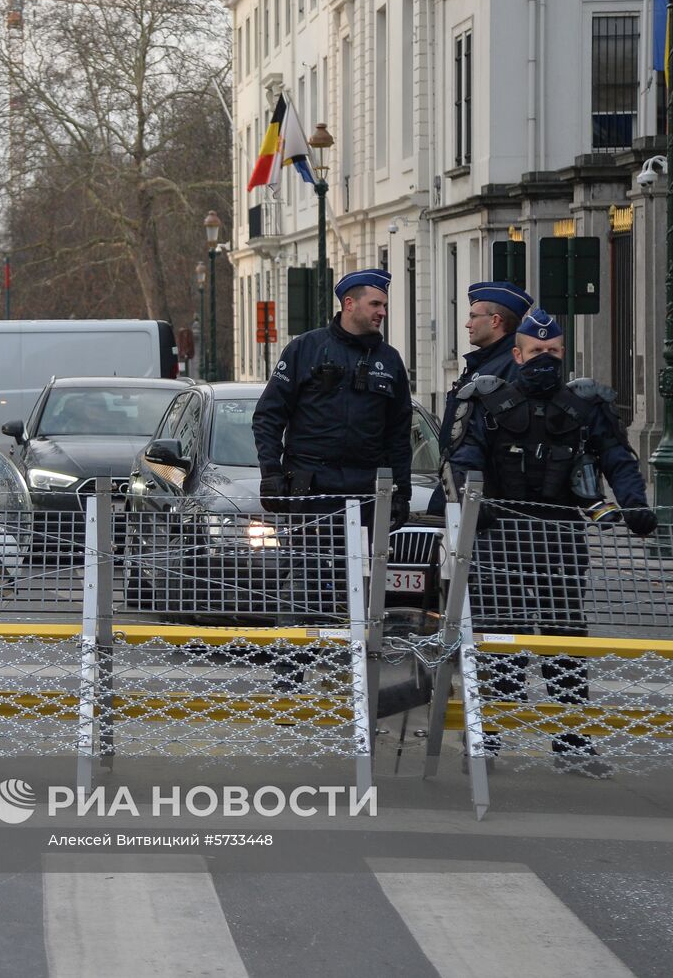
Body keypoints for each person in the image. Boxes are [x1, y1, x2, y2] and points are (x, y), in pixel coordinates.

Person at [447, 309, 657, 778]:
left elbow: (618, 458)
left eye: (553, 352)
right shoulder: (489, 401)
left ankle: (573, 744)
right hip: (500, 537)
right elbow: (464, 459)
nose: (545, 359)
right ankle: (487, 742)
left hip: (560, 537)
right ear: (517, 354)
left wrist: (635, 505)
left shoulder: (585, 406)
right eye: (536, 352)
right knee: (499, 640)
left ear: (564, 354)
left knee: (564, 642)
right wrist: (475, 503)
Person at [252, 269, 412, 688]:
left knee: (357, 585)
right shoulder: (306, 349)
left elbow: (399, 434)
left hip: (364, 494)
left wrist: (402, 491)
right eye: (375, 304)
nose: (382, 312)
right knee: (307, 580)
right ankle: (288, 676)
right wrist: (271, 472)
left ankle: (348, 675)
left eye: (383, 305)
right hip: (312, 492)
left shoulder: (389, 361)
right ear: (350, 304)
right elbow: (269, 416)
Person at [426, 281, 530, 515]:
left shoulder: (509, 367)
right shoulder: (485, 363)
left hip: (485, 498)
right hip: (467, 488)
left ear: (495, 321)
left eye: (473, 316)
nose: (467, 324)